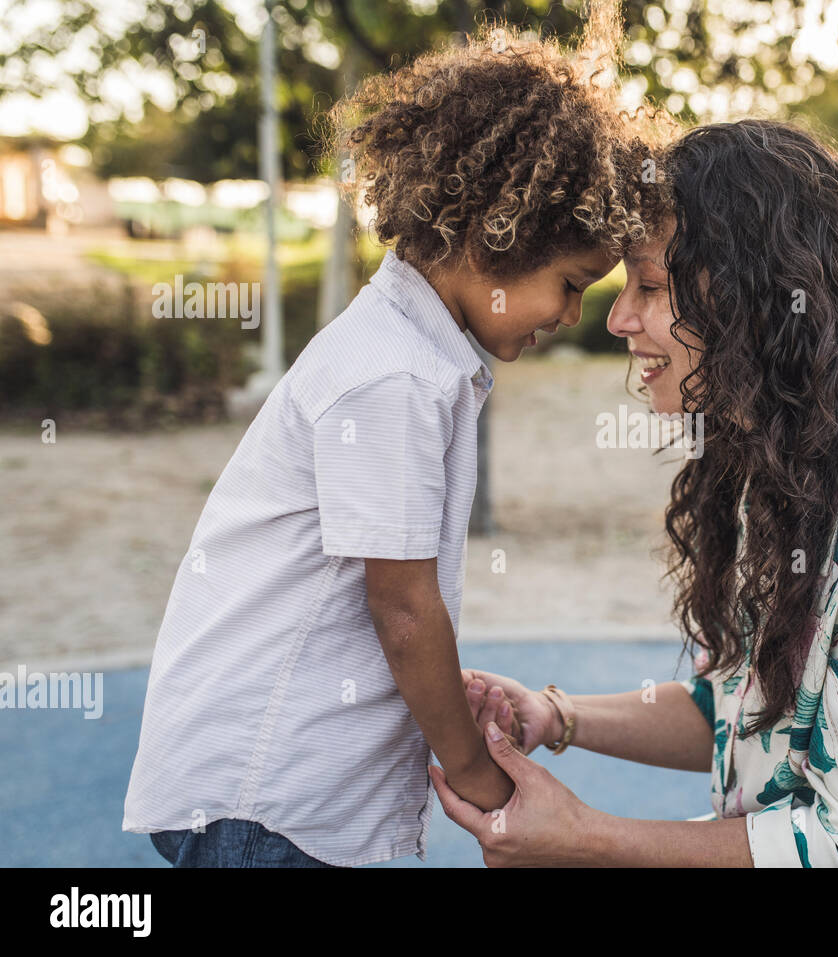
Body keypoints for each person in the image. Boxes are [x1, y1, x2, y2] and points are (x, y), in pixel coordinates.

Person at [433, 120, 838, 867]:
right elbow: (743, 712)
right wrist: (555, 714)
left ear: (749, 298)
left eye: (648, 285)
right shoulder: (778, 473)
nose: (618, 319)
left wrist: (583, 837)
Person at [122, 20, 667, 868]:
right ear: (496, 231)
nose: (570, 318)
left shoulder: (408, 356)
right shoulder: (394, 377)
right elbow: (405, 609)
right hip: (264, 803)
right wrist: (483, 782)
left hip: (274, 801)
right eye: (567, 286)